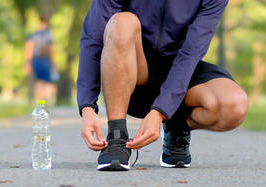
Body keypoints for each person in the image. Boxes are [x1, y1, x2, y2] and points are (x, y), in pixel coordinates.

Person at [77, 0, 249, 171]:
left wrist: (161, 112)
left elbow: (192, 51)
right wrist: (87, 107)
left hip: (182, 72)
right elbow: (93, 38)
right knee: (122, 22)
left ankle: (176, 126)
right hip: (134, 72)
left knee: (234, 105)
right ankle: (116, 136)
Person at [25, 15, 57, 102]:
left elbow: (51, 50)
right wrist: (28, 63)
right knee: (40, 83)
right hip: (39, 60)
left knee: (45, 84)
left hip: (44, 60)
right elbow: (29, 48)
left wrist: (53, 63)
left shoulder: (45, 34)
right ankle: (40, 103)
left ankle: (42, 103)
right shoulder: (44, 34)